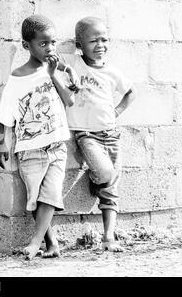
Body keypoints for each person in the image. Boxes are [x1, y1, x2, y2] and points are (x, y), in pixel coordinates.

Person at [0, 14, 76, 259]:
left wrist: (54, 74)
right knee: (35, 201)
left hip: (56, 146)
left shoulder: (53, 70)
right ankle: (51, 244)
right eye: (43, 44)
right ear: (26, 46)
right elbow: (4, 117)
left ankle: (34, 243)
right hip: (30, 150)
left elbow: (69, 100)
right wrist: (2, 146)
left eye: (52, 43)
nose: (49, 48)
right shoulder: (17, 78)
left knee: (50, 195)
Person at [60, 16, 136, 252]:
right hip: (87, 135)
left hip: (111, 134)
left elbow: (131, 92)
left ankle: (109, 237)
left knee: (111, 188)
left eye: (104, 39)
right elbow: (49, 60)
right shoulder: (74, 63)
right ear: (79, 44)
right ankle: (97, 179)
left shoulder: (112, 72)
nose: (100, 45)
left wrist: (117, 111)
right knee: (105, 173)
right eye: (93, 41)